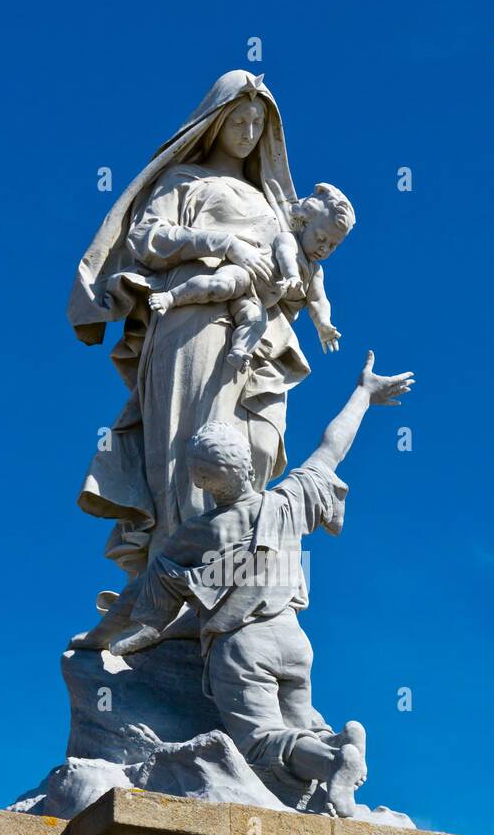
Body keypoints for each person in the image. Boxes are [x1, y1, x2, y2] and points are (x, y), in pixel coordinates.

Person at [106, 352, 413, 817]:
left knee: (261, 741)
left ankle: (334, 760)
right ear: (247, 465)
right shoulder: (288, 502)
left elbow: (158, 594)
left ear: (203, 482)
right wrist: (364, 393)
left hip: (242, 648)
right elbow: (331, 448)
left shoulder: (198, 533)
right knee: (298, 728)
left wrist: (124, 638)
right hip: (293, 640)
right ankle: (334, 749)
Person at [67, 71, 322, 579]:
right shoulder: (185, 182)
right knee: (190, 443)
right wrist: (222, 244)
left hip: (259, 334)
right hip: (193, 318)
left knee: (257, 447)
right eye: (239, 120)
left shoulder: (272, 204)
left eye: (257, 123)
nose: (248, 132)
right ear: (216, 120)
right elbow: (148, 239)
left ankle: (236, 570)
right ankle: (177, 577)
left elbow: (295, 273)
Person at [146, 182, 354, 373]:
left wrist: (323, 324)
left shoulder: (315, 271)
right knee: (219, 285)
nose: (324, 248)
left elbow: (318, 300)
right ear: (304, 222)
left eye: (332, 246)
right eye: (321, 238)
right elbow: (285, 256)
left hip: (256, 299)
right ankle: (171, 297)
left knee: (256, 323)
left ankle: (238, 352)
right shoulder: (288, 239)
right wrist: (291, 275)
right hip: (245, 276)